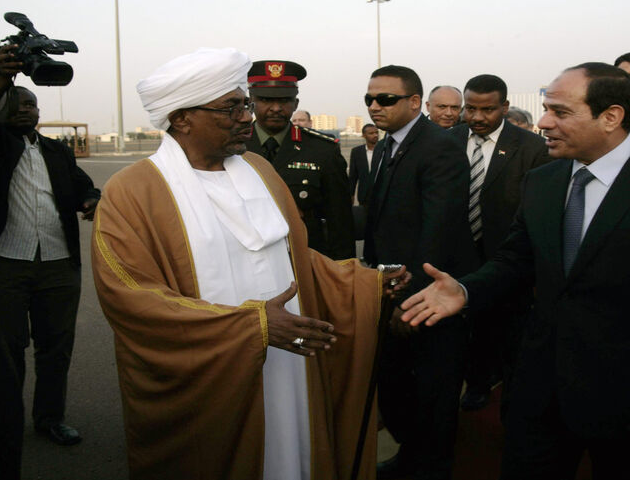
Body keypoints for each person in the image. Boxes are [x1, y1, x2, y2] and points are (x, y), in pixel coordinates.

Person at [399, 62, 630, 479]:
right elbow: (515, 260)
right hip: (540, 391)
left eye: (560, 112)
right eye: (545, 109)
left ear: (610, 116)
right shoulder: (543, 180)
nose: (543, 122)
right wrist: (465, 291)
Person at [92, 48, 406, 480]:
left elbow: (295, 260)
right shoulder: (132, 191)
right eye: (232, 107)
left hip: (292, 368)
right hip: (213, 379)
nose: (246, 117)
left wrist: (366, 284)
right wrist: (251, 327)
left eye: (244, 104)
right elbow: (130, 296)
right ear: (182, 118)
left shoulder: (258, 170)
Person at [363, 65, 478, 480]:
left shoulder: (438, 146)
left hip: (428, 296)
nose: (376, 106)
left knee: (433, 397)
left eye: (386, 99)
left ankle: (429, 468)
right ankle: (411, 457)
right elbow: (382, 224)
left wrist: (412, 303)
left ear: (415, 102)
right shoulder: (389, 146)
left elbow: (439, 232)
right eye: (370, 99)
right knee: (396, 391)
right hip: (392, 291)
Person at [0, 43, 99, 457]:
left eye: (32, 104)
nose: (25, 109)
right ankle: (8, 419)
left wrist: (92, 198)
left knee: (56, 347)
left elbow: (82, 186)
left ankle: (50, 418)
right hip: (7, 265)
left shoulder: (57, 150)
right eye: (16, 102)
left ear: (41, 112)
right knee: (7, 351)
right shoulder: (0, 145)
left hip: (59, 266)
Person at [447, 74, 549, 412]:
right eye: (471, 108)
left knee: (508, 334)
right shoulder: (447, 141)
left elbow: (536, 211)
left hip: (508, 262)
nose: (477, 117)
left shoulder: (532, 147)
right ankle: (475, 384)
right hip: (458, 257)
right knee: (465, 333)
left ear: (504, 108)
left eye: (487, 110)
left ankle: (512, 399)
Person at [245, 60, 354, 260]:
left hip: (306, 258)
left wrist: (342, 273)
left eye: (285, 100)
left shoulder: (323, 150)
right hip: (249, 260)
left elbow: (339, 221)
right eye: (266, 100)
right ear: (251, 101)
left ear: (295, 103)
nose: (276, 108)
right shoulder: (233, 147)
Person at [348, 123, 379, 205]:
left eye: (376, 132)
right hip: (364, 196)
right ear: (364, 135)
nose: (375, 135)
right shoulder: (357, 152)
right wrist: (351, 195)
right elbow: (353, 176)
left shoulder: (385, 149)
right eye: (371, 133)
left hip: (382, 195)